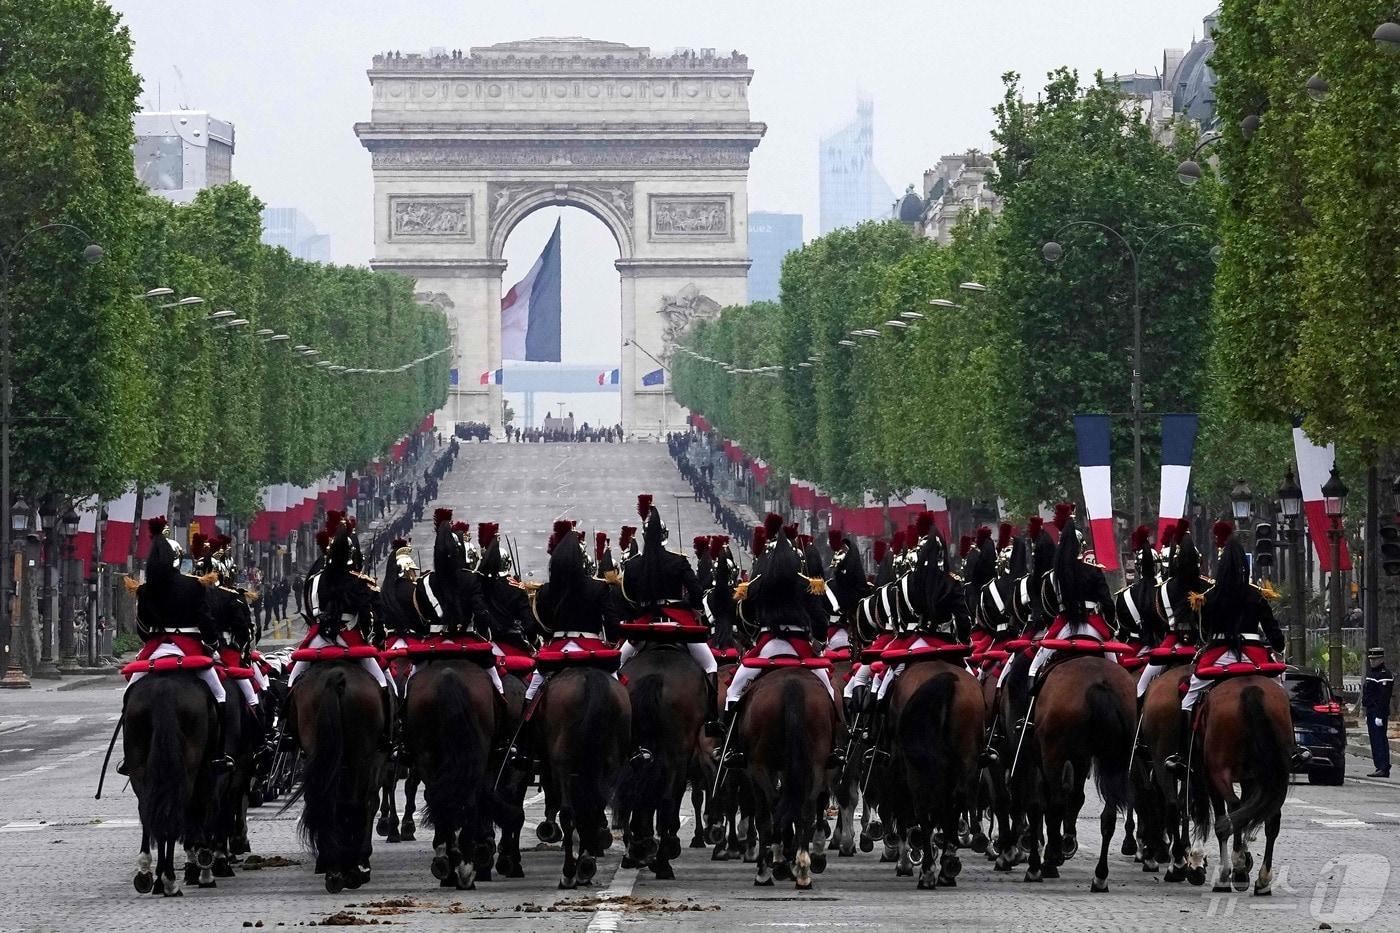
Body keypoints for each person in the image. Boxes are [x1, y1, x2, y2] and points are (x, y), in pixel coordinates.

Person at [616, 494, 717, 727]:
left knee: (616, 666)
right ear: (666, 535)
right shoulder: (678, 561)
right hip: (679, 625)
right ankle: (712, 720)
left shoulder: (632, 565)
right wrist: (695, 610)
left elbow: (628, 597)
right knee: (711, 665)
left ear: (643, 536)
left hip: (645, 627)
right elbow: (695, 591)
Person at [1363, 646, 1393, 778]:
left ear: (1381, 659)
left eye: (1375, 659)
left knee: (1380, 739)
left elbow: (1383, 697)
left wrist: (1380, 715)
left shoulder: (1384, 675)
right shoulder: (1372, 674)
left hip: (1378, 711)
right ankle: (1379, 766)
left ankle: (1383, 767)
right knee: (1374, 740)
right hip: (1371, 710)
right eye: (1371, 659)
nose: (1372, 662)